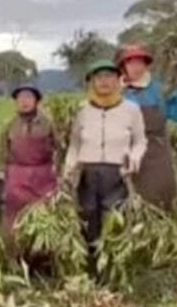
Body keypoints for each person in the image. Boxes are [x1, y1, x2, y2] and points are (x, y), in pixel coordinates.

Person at [63, 59, 147, 275]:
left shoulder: (131, 109)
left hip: (117, 174)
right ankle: (89, 269)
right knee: (87, 218)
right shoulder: (82, 110)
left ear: (118, 80)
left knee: (113, 220)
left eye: (109, 76)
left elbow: (140, 140)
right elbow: (74, 144)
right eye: (99, 77)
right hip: (87, 173)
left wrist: (135, 156)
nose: (104, 82)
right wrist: (68, 169)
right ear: (91, 82)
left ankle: (111, 271)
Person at [116, 44, 177, 210]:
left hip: (156, 154)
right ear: (123, 67)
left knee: (160, 200)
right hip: (125, 156)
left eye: (140, 63)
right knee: (125, 206)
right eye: (131, 63)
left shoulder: (159, 90)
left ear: (146, 65)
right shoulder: (115, 91)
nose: (136, 67)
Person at [0, 84, 58, 268]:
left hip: (43, 176)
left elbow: (59, 149)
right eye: (20, 98)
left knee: (44, 218)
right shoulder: (10, 126)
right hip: (17, 175)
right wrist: (0, 176)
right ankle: (16, 260)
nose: (24, 101)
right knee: (13, 219)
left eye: (28, 97)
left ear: (36, 101)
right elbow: (3, 153)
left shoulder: (48, 123)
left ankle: (44, 261)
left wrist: (59, 173)